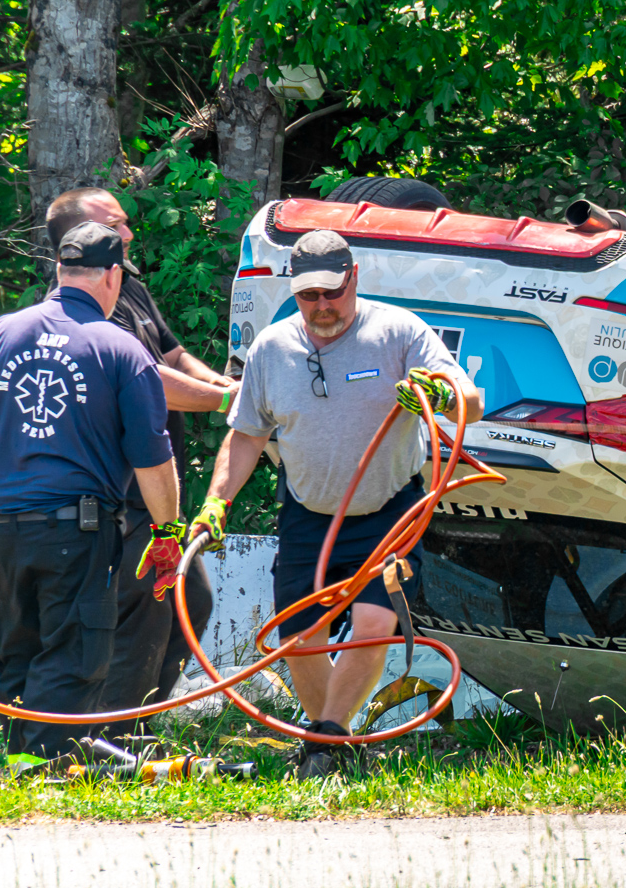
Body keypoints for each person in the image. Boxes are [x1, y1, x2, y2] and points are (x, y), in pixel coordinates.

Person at [188, 229, 479, 778]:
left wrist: (442, 393)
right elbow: (247, 435)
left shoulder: (398, 331)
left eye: (332, 293)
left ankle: (327, 739)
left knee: (374, 620)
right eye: (308, 296)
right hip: (308, 513)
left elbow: (472, 398)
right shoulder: (273, 349)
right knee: (300, 635)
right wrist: (215, 504)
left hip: (390, 511)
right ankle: (329, 738)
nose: (322, 306)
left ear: (354, 279)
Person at [0, 222, 181, 758]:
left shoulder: (3, 333)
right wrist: (166, 531)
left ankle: (21, 760)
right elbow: (153, 457)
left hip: (2, 529)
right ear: (112, 276)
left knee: (19, 647)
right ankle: (46, 772)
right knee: (73, 652)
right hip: (76, 529)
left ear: (61, 271)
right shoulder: (121, 349)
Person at [43, 188, 239, 737]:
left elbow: (172, 355)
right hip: (121, 493)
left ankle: (134, 728)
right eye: (116, 226)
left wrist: (225, 385)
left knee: (189, 601)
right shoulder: (79, 307)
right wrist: (231, 401)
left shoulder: (127, 287)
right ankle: (111, 742)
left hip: (157, 493)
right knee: (149, 606)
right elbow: (149, 379)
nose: (129, 234)